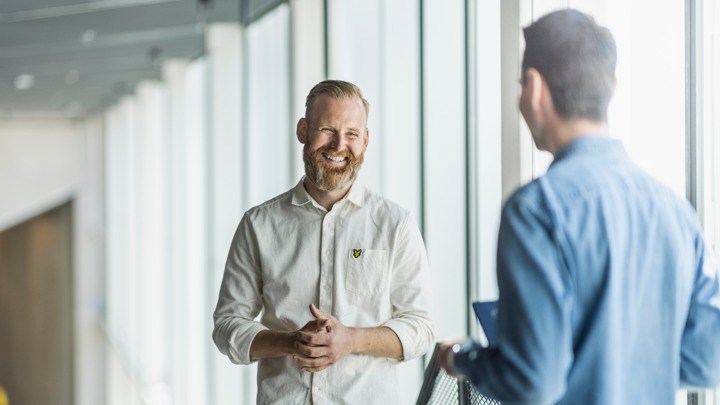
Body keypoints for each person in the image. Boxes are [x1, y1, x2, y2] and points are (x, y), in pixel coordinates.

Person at [439, 8, 720, 404]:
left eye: (520, 83)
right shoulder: (675, 210)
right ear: (610, 87)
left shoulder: (535, 210)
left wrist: (464, 358)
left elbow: (533, 382)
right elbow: (709, 358)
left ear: (534, 87)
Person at [213, 80, 434, 404]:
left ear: (366, 140)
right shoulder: (258, 225)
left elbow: (421, 328)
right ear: (303, 130)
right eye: (327, 130)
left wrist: (351, 340)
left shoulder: (395, 224)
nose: (339, 145)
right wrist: (291, 342)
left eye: (352, 134)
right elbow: (227, 327)